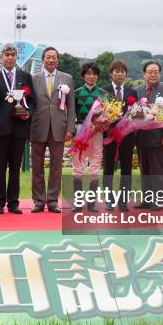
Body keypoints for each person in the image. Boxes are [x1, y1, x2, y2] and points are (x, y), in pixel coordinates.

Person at [0, 43, 35, 214]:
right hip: (1, 127)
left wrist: (27, 112)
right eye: (6, 54)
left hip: (19, 127)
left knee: (15, 167)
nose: (10, 57)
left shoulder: (25, 76)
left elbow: (31, 101)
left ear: (16, 57)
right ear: (0, 58)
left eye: (12, 55)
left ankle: (13, 202)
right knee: (0, 167)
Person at [30, 47, 75, 213]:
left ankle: (53, 201)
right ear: (42, 60)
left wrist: (70, 128)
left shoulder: (67, 78)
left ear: (58, 60)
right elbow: (30, 106)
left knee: (56, 166)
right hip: (38, 127)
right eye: (47, 57)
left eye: (53, 57)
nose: (50, 60)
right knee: (37, 166)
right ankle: (39, 201)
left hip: (59, 128)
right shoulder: (34, 78)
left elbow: (71, 106)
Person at [134, 61, 163, 211]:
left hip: (158, 138)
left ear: (159, 74)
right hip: (140, 138)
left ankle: (159, 200)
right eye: (150, 72)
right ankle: (147, 199)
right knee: (144, 170)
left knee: (158, 170)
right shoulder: (136, 91)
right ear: (144, 74)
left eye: (156, 72)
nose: (153, 75)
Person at [103, 60, 138, 212]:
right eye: (117, 71)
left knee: (126, 168)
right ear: (111, 73)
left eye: (123, 71)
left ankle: (123, 201)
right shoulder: (103, 91)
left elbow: (137, 114)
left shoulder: (132, 92)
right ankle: (109, 200)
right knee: (109, 168)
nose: (120, 74)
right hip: (109, 135)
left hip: (127, 137)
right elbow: (99, 113)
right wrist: (108, 127)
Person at [72, 62, 107, 212]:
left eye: (94, 74)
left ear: (98, 76)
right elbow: (71, 114)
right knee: (77, 164)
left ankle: (91, 203)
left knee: (95, 164)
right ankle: (78, 203)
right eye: (88, 74)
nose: (92, 76)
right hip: (80, 130)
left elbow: (108, 115)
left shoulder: (103, 94)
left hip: (97, 132)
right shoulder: (76, 92)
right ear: (83, 76)